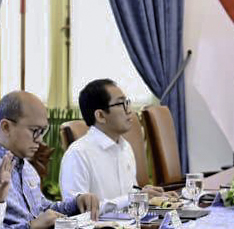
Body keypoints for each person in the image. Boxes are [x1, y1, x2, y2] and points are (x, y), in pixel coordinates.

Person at [0, 91, 99, 229]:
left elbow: (42, 210)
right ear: (6, 127)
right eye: (35, 131)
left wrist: (76, 202)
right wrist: (30, 227)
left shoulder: (24, 164)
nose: (40, 140)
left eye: (43, 131)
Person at [59, 79, 164, 213]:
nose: (129, 110)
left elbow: (129, 193)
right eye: (121, 104)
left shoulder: (125, 147)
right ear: (101, 115)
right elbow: (78, 211)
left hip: (132, 227)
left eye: (127, 102)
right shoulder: (78, 154)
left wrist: (147, 195)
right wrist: (132, 198)